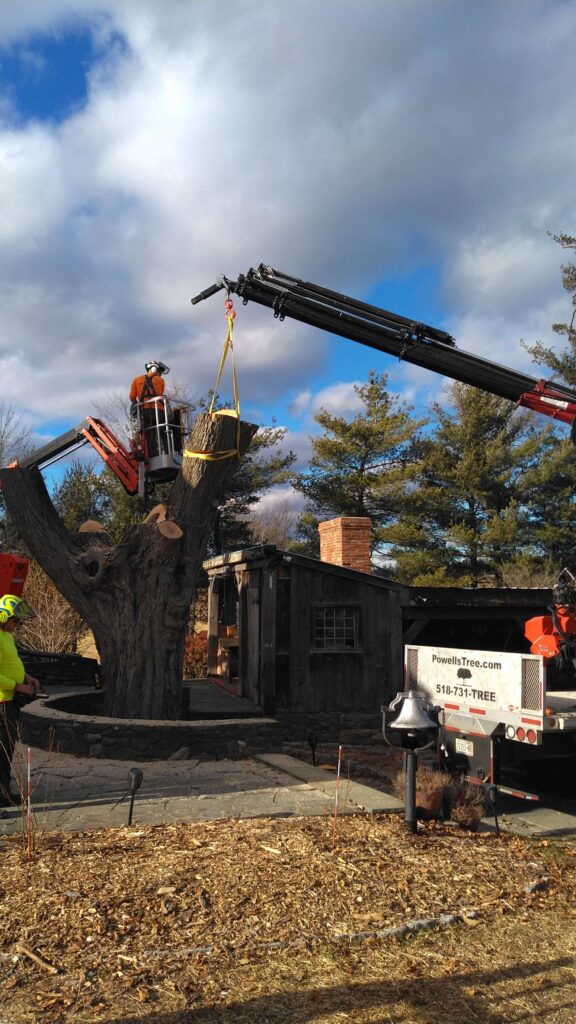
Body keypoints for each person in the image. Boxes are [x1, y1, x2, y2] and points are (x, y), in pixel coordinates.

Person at [0, 594, 40, 807]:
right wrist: (17, 686)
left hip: (9, 702)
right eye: (16, 620)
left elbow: (10, 663)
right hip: (1, 702)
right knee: (0, 750)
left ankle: (3, 793)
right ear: (4, 616)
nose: (18, 625)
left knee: (6, 750)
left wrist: (27, 678)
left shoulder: (6, 635)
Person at [129, 360, 170, 456]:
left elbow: (132, 397)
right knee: (164, 433)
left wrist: (138, 405)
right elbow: (160, 393)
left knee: (150, 436)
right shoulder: (161, 380)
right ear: (154, 368)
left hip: (145, 411)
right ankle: (169, 453)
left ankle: (153, 456)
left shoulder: (136, 380)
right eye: (159, 371)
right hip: (160, 411)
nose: (160, 374)